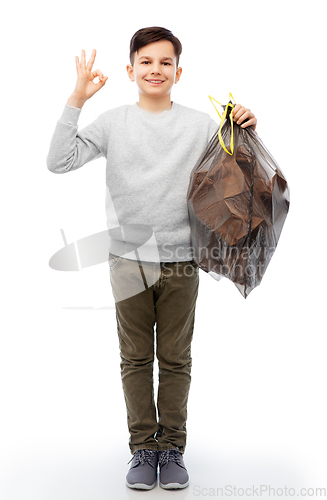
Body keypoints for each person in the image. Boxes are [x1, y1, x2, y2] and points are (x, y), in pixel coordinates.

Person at [46, 26, 257, 490]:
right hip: (128, 261)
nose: (155, 69)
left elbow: (239, 173)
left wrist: (244, 125)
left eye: (165, 63)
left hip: (183, 262)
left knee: (176, 359)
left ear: (178, 72)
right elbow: (58, 161)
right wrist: (77, 98)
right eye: (146, 61)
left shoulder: (202, 125)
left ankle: (172, 448)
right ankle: (143, 448)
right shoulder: (113, 123)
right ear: (130, 70)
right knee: (136, 359)